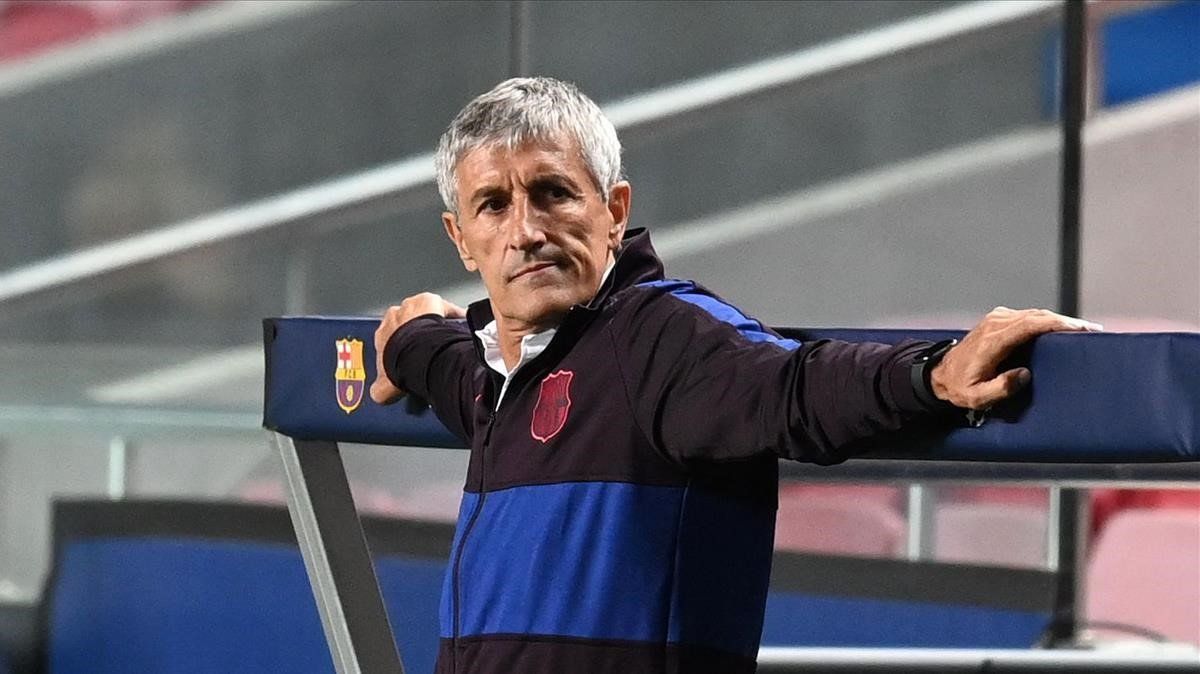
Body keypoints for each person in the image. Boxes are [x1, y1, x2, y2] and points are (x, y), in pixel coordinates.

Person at [369, 77, 1101, 674]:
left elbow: (794, 387)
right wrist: (414, 337)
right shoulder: (493, 374)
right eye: (493, 205)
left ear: (614, 211)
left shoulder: (660, 339)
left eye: (555, 193)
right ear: (462, 239)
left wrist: (932, 374)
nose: (526, 229)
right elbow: (446, 362)